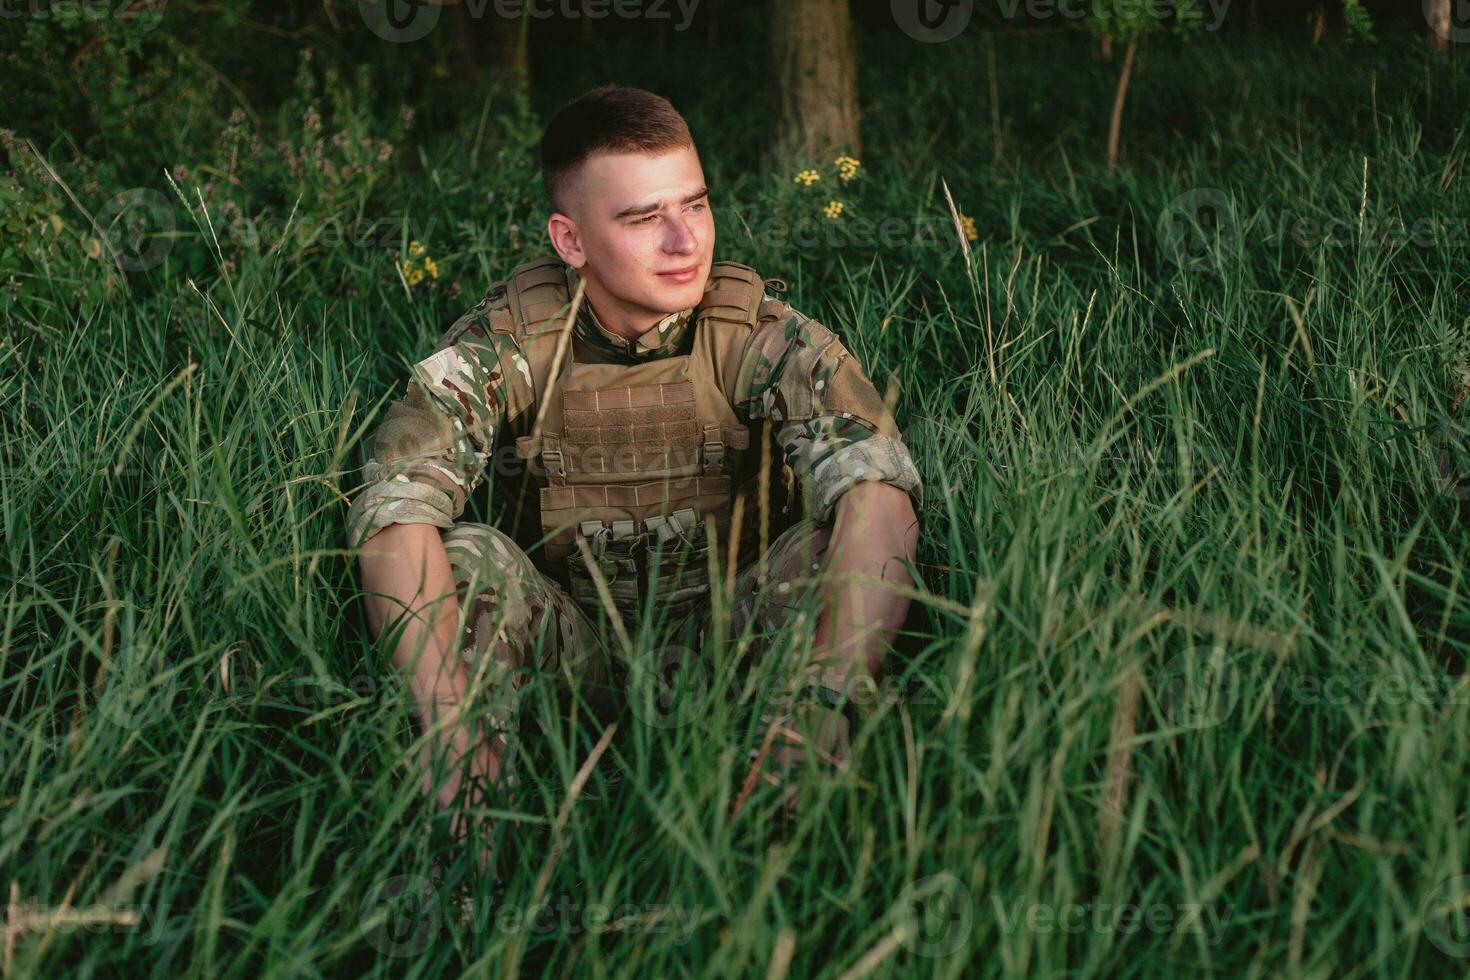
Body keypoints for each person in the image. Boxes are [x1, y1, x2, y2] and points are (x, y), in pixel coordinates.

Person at [346, 84, 922, 868]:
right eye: (644, 218)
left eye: (695, 205)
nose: (686, 242)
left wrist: (825, 698)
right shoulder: (514, 342)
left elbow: (878, 494)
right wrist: (454, 731)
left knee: (836, 543)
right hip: (571, 659)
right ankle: (480, 849)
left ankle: (789, 851)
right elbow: (393, 507)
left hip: (730, 641)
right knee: (465, 556)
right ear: (571, 240)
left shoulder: (755, 335)